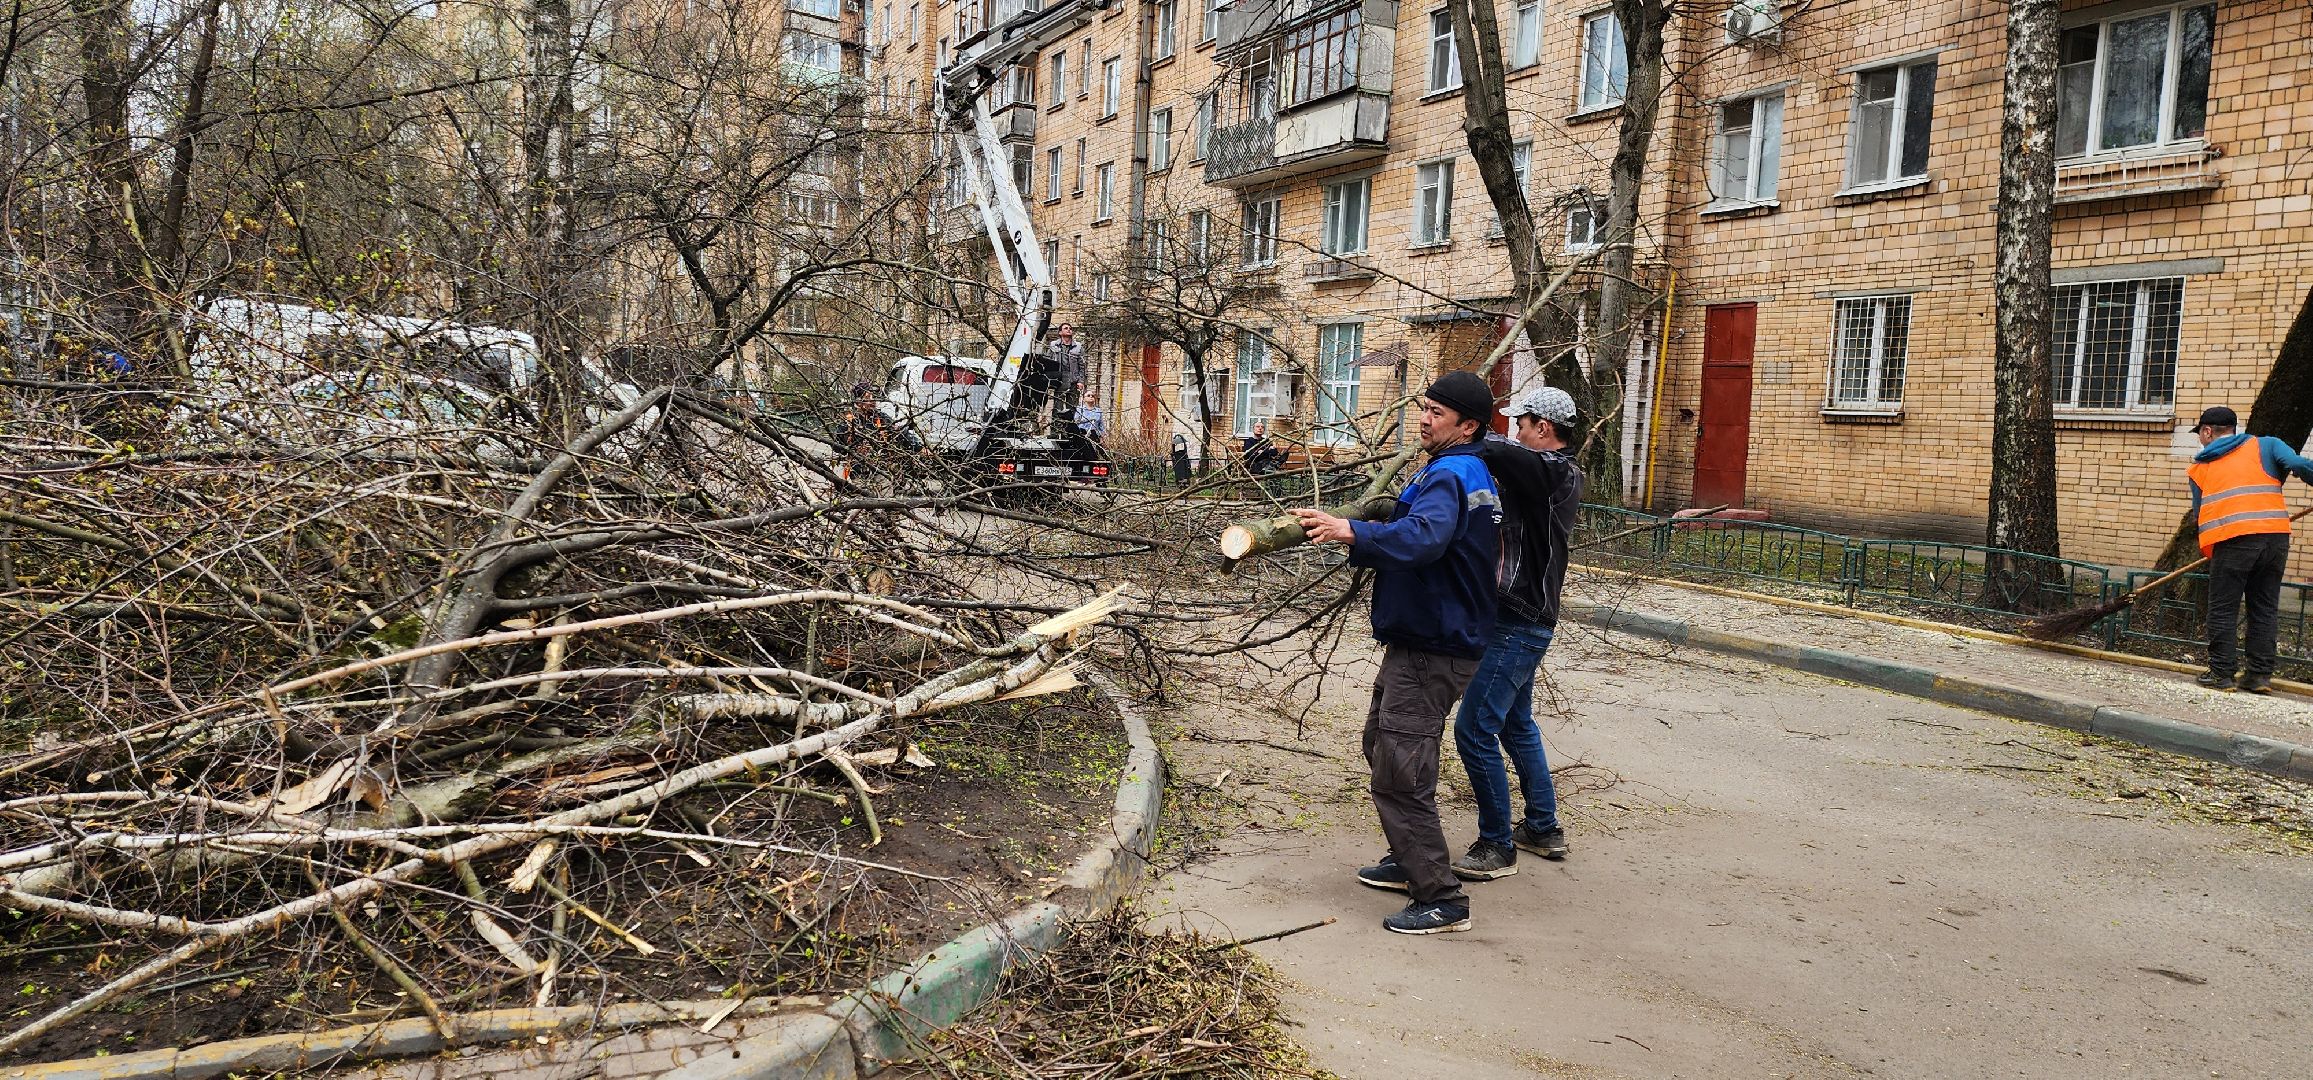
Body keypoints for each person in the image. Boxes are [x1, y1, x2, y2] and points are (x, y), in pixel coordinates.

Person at [1291, 371, 1502, 936]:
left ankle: (1440, 897)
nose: (1424, 419)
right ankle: (1408, 858)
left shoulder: (1452, 473)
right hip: (1426, 641)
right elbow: (1426, 532)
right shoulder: (1467, 470)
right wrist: (1378, 517)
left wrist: (1351, 532)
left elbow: (1424, 540)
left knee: (1399, 773)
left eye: (1436, 412)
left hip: (1433, 646)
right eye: (1425, 408)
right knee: (1381, 744)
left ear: (1468, 425)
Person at [1449, 387, 1584, 881]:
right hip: (1516, 617)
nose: (1515, 432)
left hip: (1519, 620)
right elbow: (1495, 495)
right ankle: (1542, 828)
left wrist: (1468, 427)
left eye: (1520, 423)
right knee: (1514, 723)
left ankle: (1496, 845)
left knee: (1473, 728)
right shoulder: (1536, 478)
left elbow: (1502, 453)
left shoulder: (1557, 472)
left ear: (1543, 429)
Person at [2186, 406, 2313, 694]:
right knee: (2264, 607)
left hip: (2233, 542)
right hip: (2275, 538)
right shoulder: (2267, 445)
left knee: (2223, 608)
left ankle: (2222, 674)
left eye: (2200, 435)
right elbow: (2298, 463)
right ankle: (2258, 676)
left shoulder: (2199, 469)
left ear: (2207, 431)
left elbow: (2199, 515)